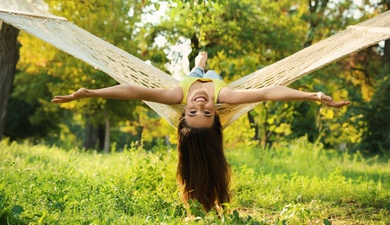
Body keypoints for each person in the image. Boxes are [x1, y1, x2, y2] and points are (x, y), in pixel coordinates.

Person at [52, 51, 350, 212]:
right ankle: (204, 65)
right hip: (217, 80)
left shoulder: (176, 97)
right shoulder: (224, 98)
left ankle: (198, 63)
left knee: (197, 71)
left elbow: (132, 90)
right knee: (211, 75)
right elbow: (269, 92)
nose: (199, 105)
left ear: (183, 115)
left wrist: (89, 92)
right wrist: (311, 95)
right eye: (206, 113)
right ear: (216, 115)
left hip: (189, 78)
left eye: (193, 113)